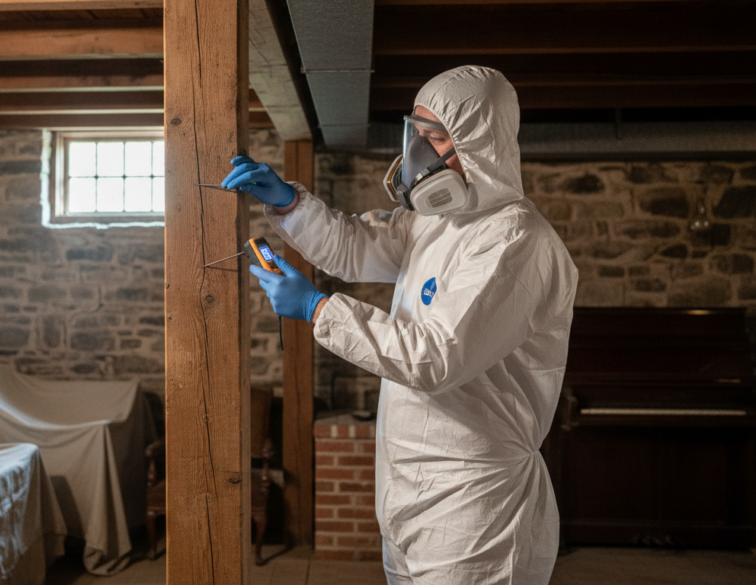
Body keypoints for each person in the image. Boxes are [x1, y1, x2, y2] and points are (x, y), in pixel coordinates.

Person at [220, 65, 578, 585]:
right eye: (418, 134)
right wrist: (290, 204)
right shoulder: (436, 221)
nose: (420, 156)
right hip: (409, 492)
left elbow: (435, 359)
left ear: (481, 145)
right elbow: (355, 246)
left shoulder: (515, 243)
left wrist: (320, 310)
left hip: (475, 509)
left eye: (436, 139)